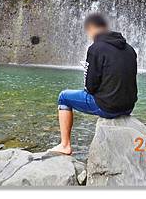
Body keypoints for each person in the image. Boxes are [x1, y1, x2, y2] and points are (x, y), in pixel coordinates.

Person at [50, 13, 137, 155]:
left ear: (92, 28)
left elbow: (90, 87)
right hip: (128, 107)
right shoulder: (129, 48)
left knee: (63, 97)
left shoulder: (96, 48)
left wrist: (87, 71)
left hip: (108, 107)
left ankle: (65, 145)